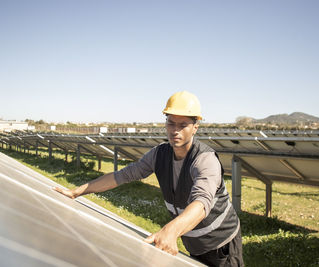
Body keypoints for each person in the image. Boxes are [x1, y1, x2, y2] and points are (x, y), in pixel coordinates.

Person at [54, 91, 244, 267]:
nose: (175, 130)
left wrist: (171, 231)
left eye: (183, 125)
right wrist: (79, 190)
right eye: (171, 123)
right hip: (193, 243)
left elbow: (202, 202)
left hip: (222, 246)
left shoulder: (205, 160)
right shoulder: (159, 154)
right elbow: (123, 175)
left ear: (195, 127)